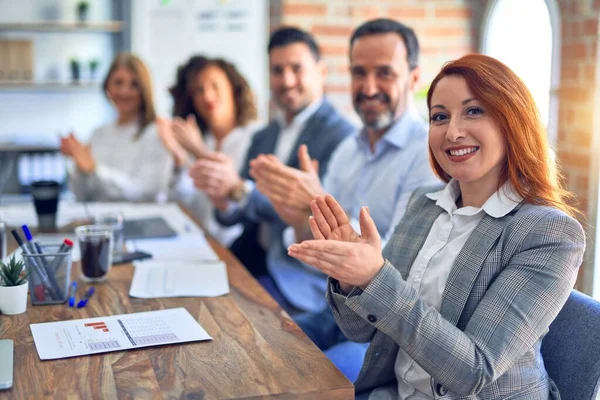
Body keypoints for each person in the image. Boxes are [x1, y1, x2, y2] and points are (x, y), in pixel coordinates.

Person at [288, 53, 585, 399]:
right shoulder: (424, 205)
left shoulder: (548, 233)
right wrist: (351, 279)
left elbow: (474, 371)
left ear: (512, 120)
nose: (453, 132)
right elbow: (359, 332)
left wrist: (376, 280)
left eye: (474, 111)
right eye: (439, 117)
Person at [248, 19, 440, 381]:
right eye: (358, 72)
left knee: (307, 379)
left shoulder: (426, 153)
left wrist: (314, 204)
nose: (368, 87)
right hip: (336, 309)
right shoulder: (347, 152)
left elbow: (397, 267)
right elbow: (316, 256)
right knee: (255, 348)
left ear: (414, 79)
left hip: (387, 329)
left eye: (384, 73)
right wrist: (298, 216)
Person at [190, 27, 354, 289]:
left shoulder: (342, 137)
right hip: (248, 257)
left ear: (321, 72)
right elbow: (238, 214)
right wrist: (223, 199)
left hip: (293, 275)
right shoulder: (264, 135)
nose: (286, 80)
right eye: (277, 71)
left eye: (296, 69)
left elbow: (313, 216)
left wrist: (239, 190)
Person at [157, 56, 260, 246]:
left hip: (239, 251)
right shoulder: (199, 137)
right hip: (194, 242)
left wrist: (198, 151)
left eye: (215, 86)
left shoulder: (257, 136)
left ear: (233, 89)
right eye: (199, 90)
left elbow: (242, 207)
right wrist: (179, 159)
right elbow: (177, 202)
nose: (207, 96)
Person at [60, 53, 173, 202]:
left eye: (134, 85)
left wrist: (95, 170)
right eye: (118, 83)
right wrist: (78, 165)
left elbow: (145, 192)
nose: (124, 91)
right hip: (99, 221)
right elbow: (81, 195)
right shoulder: (98, 134)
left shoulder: (156, 134)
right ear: (107, 87)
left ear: (144, 90)